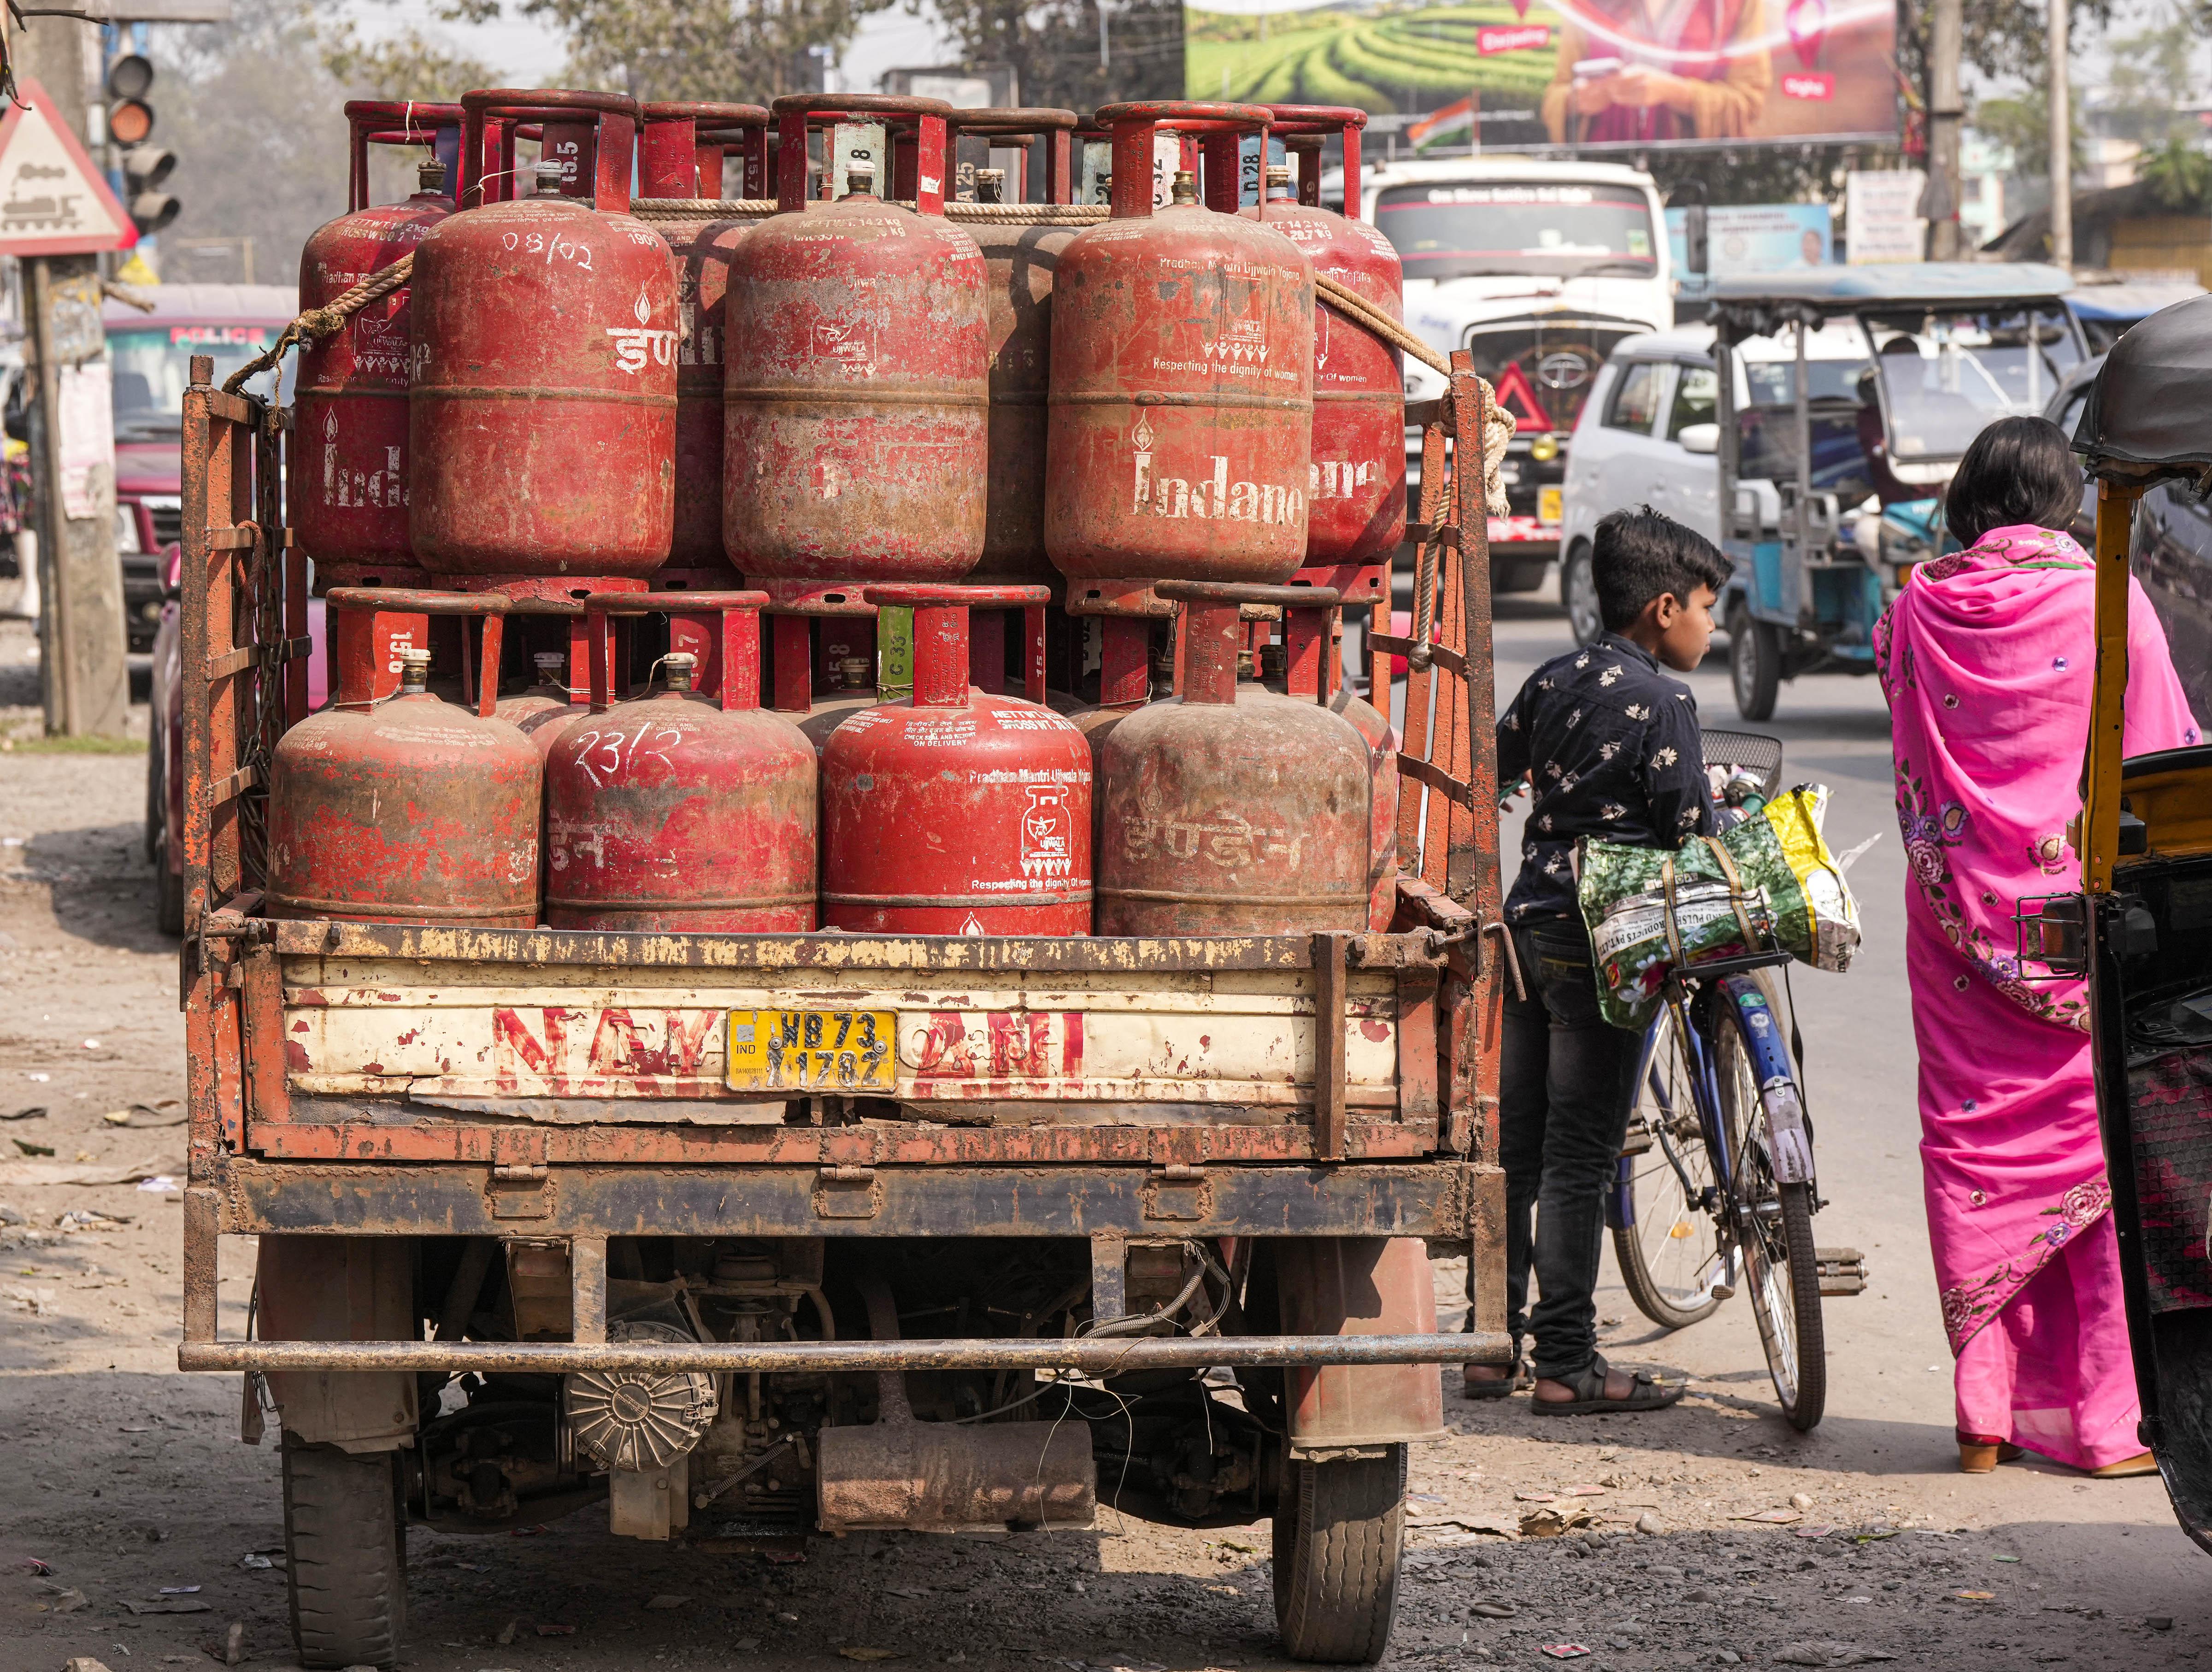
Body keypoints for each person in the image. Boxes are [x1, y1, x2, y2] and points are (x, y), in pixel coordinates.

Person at [1875, 414, 2199, 1477]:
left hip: (1957, 933)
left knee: (1973, 1157)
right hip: (2080, 928)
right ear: (2064, 499)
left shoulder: (1915, 607)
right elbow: (2158, 758)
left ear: (1969, 498)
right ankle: (2105, 1424)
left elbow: (1909, 732)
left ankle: (1985, 1412)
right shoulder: (2105, 599)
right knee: (2104, 1156)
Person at [1465, 507, 1728, 1413]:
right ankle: (1569, 1363)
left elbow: (1494, 768)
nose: (1712, 624)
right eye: (1706, 605)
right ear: (1662, 607)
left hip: (1529, 927)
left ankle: (1488, 1344)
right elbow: (1689, 826)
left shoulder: (1552, 679)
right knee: (1583, 1148)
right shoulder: (1664, 701)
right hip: (1604, 939)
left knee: (1519, 1146)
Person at [1540, 0, 1771, 145]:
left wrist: (1676, 92)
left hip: (1689, 173)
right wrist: (1578, 100)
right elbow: (1557, 94)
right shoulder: (1583, 4)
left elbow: (1748, 101)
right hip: (1607, 171)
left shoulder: (1737, 4)